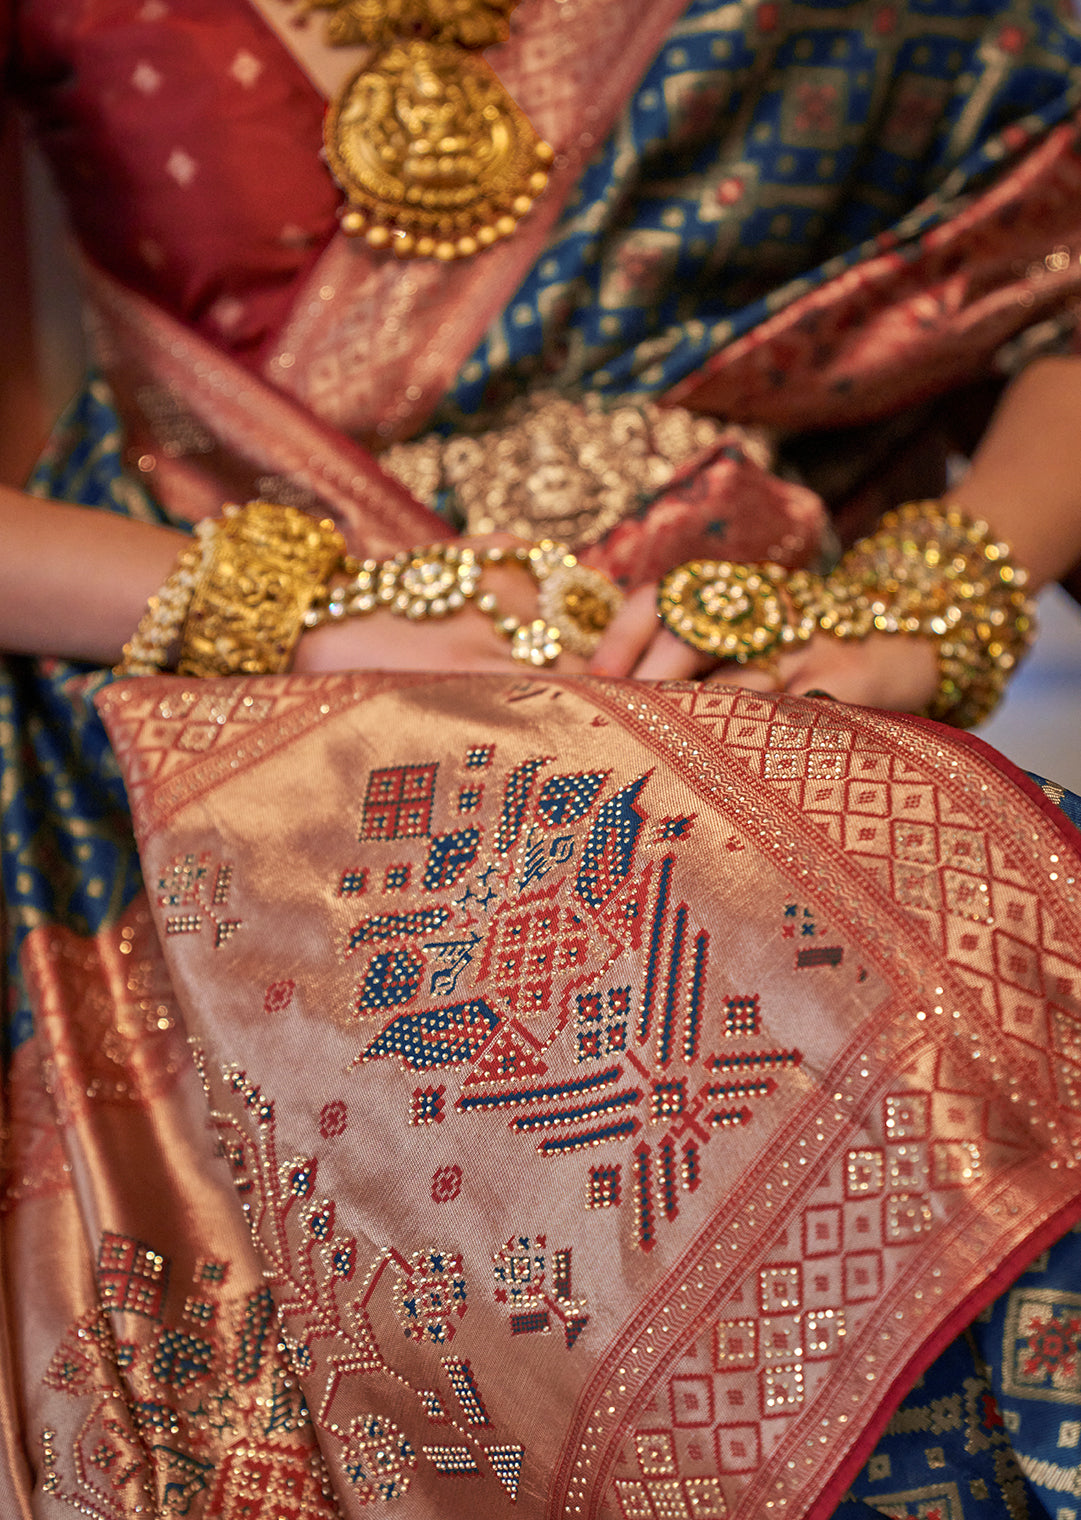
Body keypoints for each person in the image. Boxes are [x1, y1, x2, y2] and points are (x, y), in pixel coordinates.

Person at [2, 1, 1081, 1517]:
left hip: (730, 676)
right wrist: (304, 624)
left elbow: (1056, 271)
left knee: (971, 975)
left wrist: (935, 602)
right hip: (206, 726)